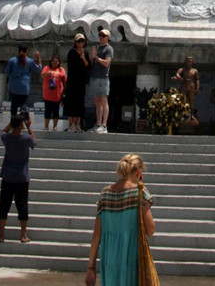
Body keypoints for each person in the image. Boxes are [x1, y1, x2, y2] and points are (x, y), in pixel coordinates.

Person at [85, 153, 155, 286]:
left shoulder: (104, 194)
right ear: (139, 172)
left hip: (110, 258)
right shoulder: (139, 193)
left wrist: (91, 267)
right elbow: (150, 230)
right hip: (131, 257)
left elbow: (96, 235)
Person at [0, 112, 37, 243]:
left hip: (8, 176)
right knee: (22, 206)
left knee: (4, 205)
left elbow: (3, 132)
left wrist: (13, 121)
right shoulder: (26, 139)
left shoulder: (7, 139)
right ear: (21, 126)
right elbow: (35, 142)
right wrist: (29, 126)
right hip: (21, 177)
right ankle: (23, 235)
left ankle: (2, 235)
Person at [4, 44, 42, 116]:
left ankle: (14, 121)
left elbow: (6, 71)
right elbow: (38, 69)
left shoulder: (12, 60)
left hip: (13, 87)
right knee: (23, 104)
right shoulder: (30, 61)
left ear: (18, 51)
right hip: (24, 87)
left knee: (14, 106)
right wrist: (38, 58)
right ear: (27, 51)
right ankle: (23, 119)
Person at [63, 33, 91, 132]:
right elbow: (71, 67)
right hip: (72, 81)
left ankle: (77, 124)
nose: (80, 43)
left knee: (79, 103)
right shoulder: (71, 52)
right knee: (71, 102)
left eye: (82, 41)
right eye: (79, 41)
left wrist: (83, 57)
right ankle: (71, 125)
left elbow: (88, 66)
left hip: (81, 81)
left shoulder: (86, 53)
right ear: (75, 42)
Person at [90, 27, 113, 134]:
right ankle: (98, 124)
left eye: (103, 36)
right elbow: (92, 62)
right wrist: (92, 56)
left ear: (107, 37)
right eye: (100, 35)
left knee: (104, 101)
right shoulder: (97, 48)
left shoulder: (109, 49)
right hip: (94, 76)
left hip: (103, 77)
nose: (101, 37)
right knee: (97, 102)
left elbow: (106, 63)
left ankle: (104, 125)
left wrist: (96, 57)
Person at [41, 54, 67, 131]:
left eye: (56, 61)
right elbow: (42, 75)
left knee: (56, 112)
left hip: (57, 95)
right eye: (53, 61)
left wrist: (64, 93)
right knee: (47, 111)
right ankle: (46, 126)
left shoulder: (61, 69)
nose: (55, 63)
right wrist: (48, 73)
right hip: (47, 94)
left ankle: (55, 126)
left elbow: (64, 81)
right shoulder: (46, 68)